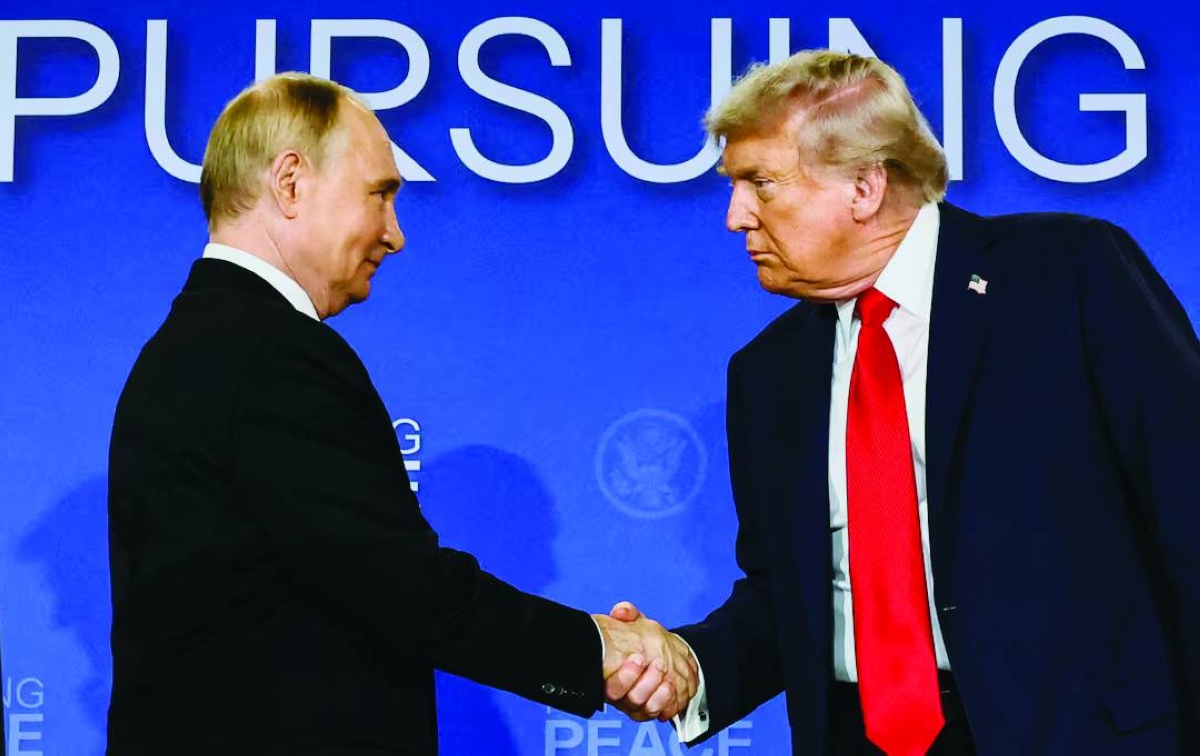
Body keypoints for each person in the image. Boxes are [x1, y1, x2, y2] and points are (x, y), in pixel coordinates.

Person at [607, 50, 1200, 755]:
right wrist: (691, 665)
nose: (736, 217)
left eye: (760, 183)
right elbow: (786, 596)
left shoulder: (1068, 277)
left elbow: (1187, 513)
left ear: (864, 186)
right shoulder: (768, 372)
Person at [106, 72, 693, 755]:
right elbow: (400, 585)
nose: (395, 234)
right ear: (290, 183)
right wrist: (601, 649)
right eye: (379, 195)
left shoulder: (201, 342)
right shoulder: (271, 354)